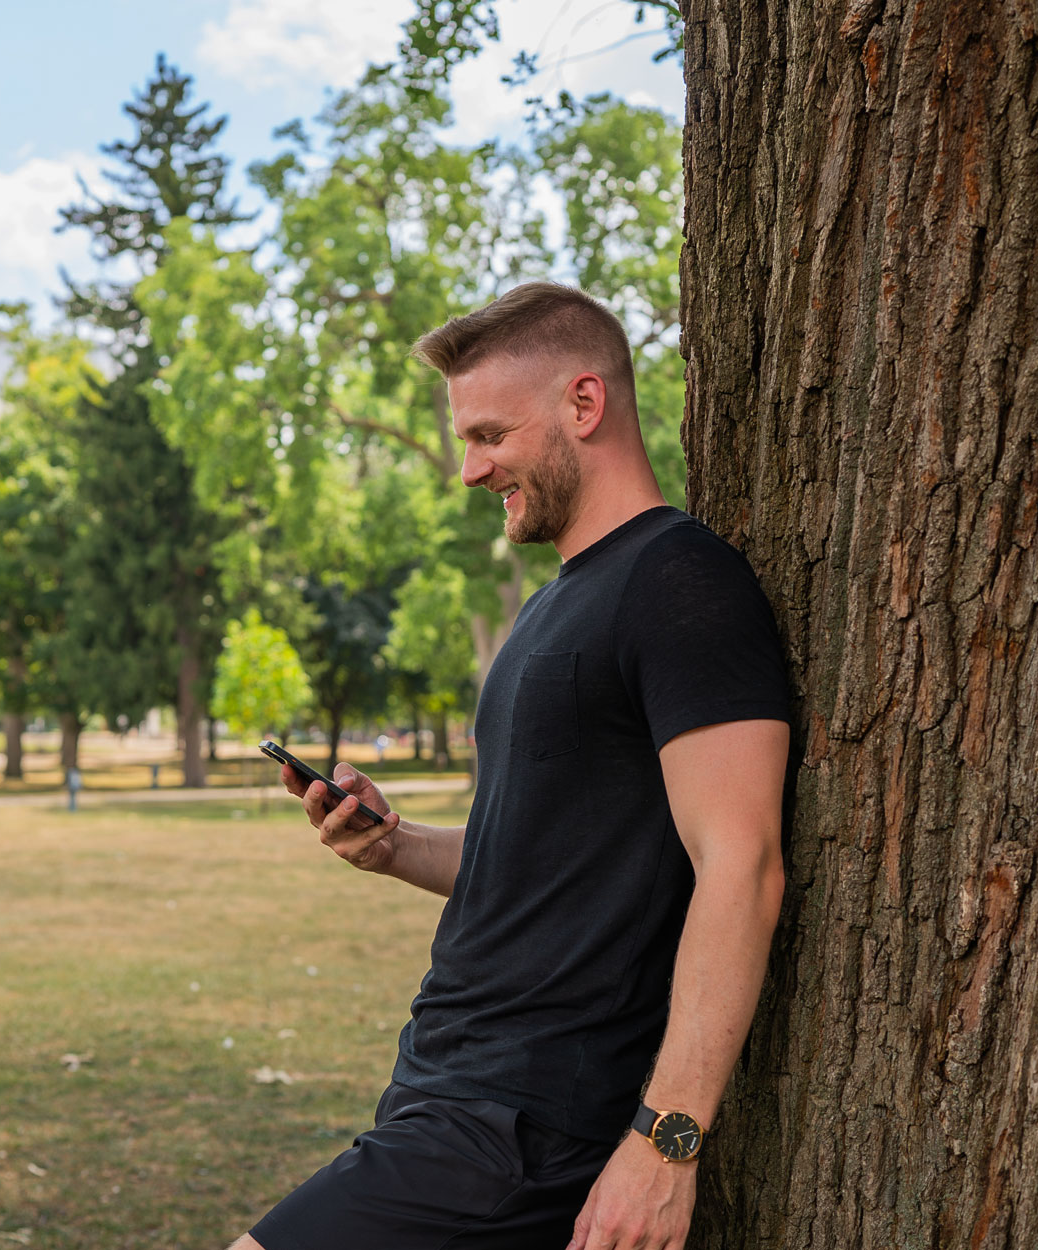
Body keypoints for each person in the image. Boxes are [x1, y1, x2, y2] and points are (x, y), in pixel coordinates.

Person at [238, 283, 791, 1250]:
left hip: (525, 1127)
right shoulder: (555, 605)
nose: (467, 469)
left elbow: (740, 867)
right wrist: (394, 846)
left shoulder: (682, 581)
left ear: (585, 405)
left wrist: (664, 1144)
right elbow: (540, 862)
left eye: (490, 434)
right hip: (446, 1094)